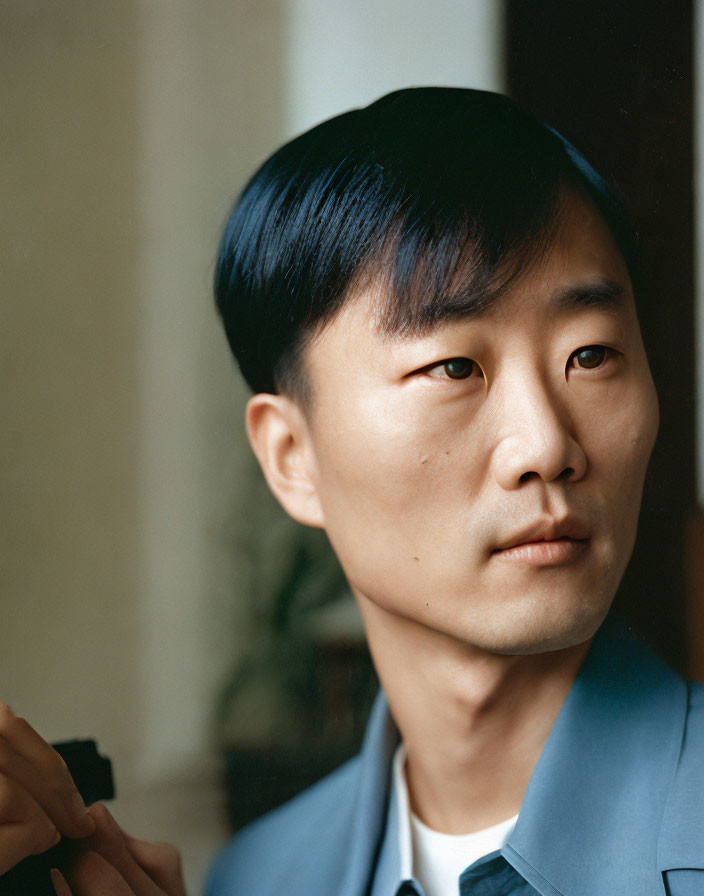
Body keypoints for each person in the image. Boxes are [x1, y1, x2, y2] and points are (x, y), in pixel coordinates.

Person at [0, 87, 699, 896]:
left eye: (591, 355)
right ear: (292, 456)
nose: (545, 445)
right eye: (453, 367)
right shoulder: (257, 880)